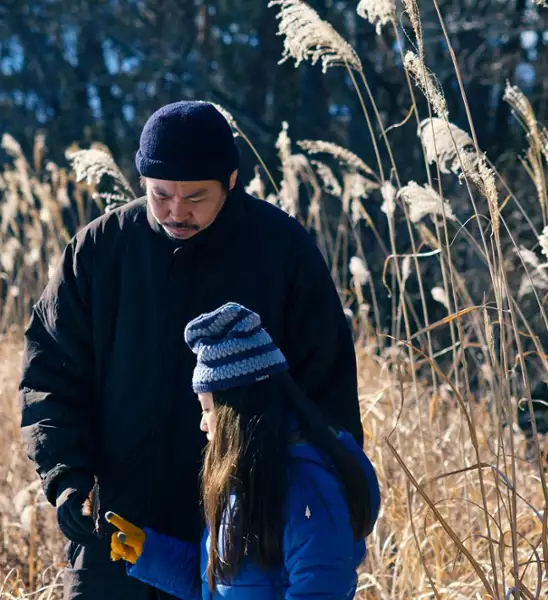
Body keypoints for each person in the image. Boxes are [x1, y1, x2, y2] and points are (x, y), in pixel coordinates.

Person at [19, 100, 363, 599]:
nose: (177, 211)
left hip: (243, 531)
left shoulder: (282, 251)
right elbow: (50, 374)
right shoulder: (99, 251)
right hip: (119, 528)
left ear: (231, 180)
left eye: (196, 197)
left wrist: (314, 501)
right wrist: (66, 476)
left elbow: (325, 391)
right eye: (161, 195)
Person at [106, 302, 380, 599]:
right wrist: (150, 555)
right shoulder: (246, 480)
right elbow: (220, 587)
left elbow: (321, 589)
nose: (202, 424)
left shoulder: (307, 485)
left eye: (207, 408)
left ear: (234, 412)